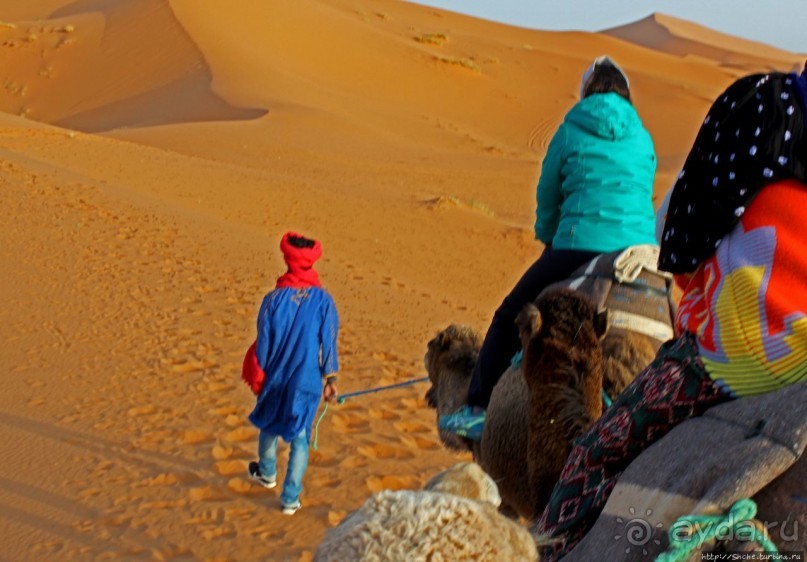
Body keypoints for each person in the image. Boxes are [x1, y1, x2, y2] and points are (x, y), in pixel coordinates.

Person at [534, 65, 807, 560]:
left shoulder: (762, 103)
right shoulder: (640, 136)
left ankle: (548, 546)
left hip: (729, 358)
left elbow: (681, 237)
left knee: (593, 455)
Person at [439, 56, 658, 439]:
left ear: (586, 91)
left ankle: (477, 409)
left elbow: (549, 193)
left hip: (580, 245)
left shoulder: (572, 128)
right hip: (639, 252)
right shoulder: (643, 137)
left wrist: (549, 237)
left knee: (511, 312)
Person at [245, 231, 339, 516]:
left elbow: (264, 344)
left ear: (287, 260)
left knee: (270, 424)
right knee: (300, 438)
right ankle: (289, 498)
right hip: (307, 381)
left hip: (277, 376)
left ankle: (267, 472)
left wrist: (259, 378)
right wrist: (331, 379)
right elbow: (329, 342)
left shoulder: (273, 300)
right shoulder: (323, 302)